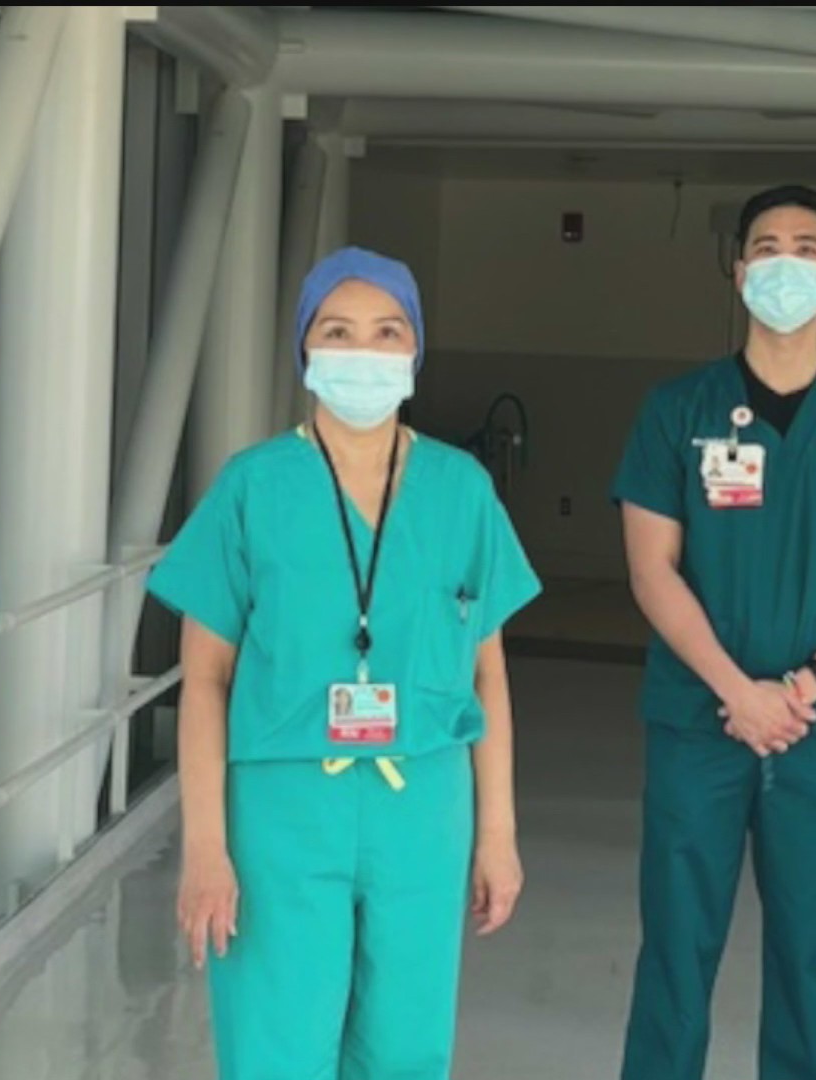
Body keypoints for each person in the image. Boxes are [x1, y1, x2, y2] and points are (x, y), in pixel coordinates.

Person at [148, 246, 541, 1080]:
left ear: (414, 351)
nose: (363, 351)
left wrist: (497, 835)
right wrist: (207, 849)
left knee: (404, 1048)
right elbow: (206, 681)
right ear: (306, 351)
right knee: (276, 1045)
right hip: (281, 811)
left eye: (386, 331)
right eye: (338, 331)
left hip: (423, 806)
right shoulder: (252, 487)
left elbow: (488, 676)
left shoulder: (461, 488)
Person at [612, 185, 816, 1080]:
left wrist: (804, 689)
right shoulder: (677, 411)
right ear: (739, 271)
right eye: (766, 247)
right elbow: (652, 570)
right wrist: (736, 690)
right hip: (698, 721)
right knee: (677, 947)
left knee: (809, 949)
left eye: (804, 248)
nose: (783, 263)